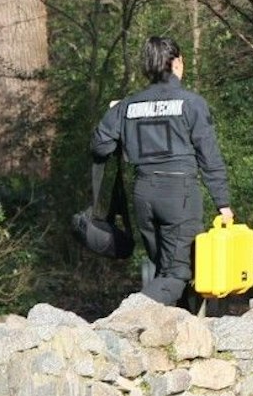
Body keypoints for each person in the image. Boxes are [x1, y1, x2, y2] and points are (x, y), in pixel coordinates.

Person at [90, 36, 234, 305]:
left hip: (143, 194)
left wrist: (120, 116)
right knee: (178, 273)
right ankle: (130, 314)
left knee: (164, 268)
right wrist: (223, 204)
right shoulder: (191, 103)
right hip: (179, 195)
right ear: (177, 62)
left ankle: (173, 326)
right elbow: (210, 158)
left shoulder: (128, 105)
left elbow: (100, 146)